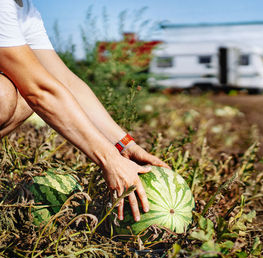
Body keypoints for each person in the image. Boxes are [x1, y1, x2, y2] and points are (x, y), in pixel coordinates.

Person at [0, 0, 169, 222]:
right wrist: (109, 160)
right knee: (5, 95)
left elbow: (65, 82)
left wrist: (124, 145)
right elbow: (40, 91)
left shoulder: (24, 11)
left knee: (22, 89)